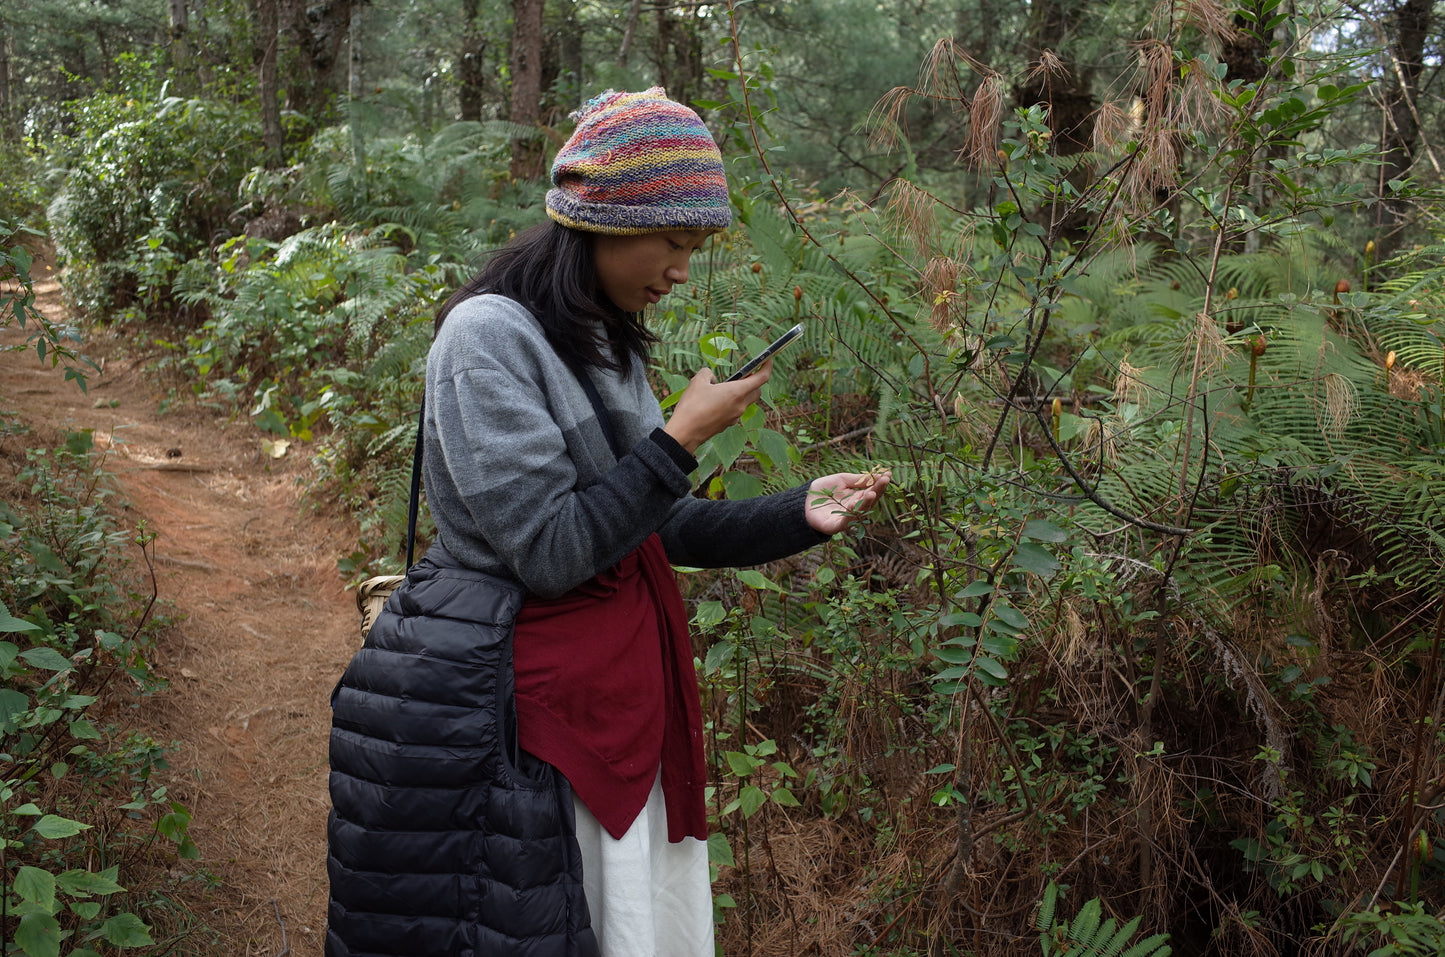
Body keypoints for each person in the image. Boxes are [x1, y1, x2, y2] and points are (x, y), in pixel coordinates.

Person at [326, 87, 891, 957]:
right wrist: (679, 436)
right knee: (534, 918)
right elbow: (553, 552)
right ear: (600, 220)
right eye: (672, 242)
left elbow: (647, 529)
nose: (679, 270)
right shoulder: (486, 340)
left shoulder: (601, 334)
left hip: (612, 698)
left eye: (693, 249)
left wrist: (796, 514)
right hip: (523, 715)